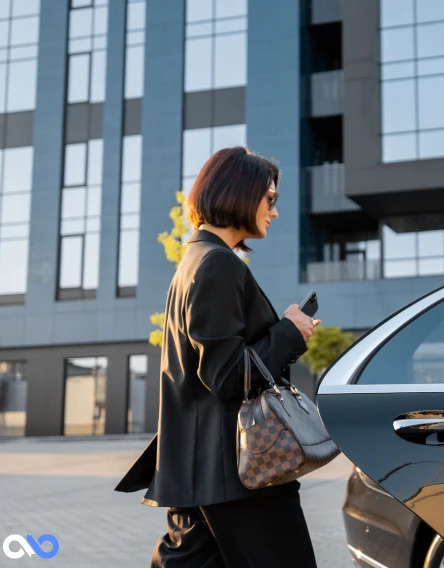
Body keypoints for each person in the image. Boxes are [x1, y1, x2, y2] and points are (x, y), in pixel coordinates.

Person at [117, 147, 321, 567]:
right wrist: (290, 332)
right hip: (237, 476)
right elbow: (227, 376)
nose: (275, 212)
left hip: (205, 476)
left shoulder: (195, 259)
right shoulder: (218, 264)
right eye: (270, 199)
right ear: (240, 192)